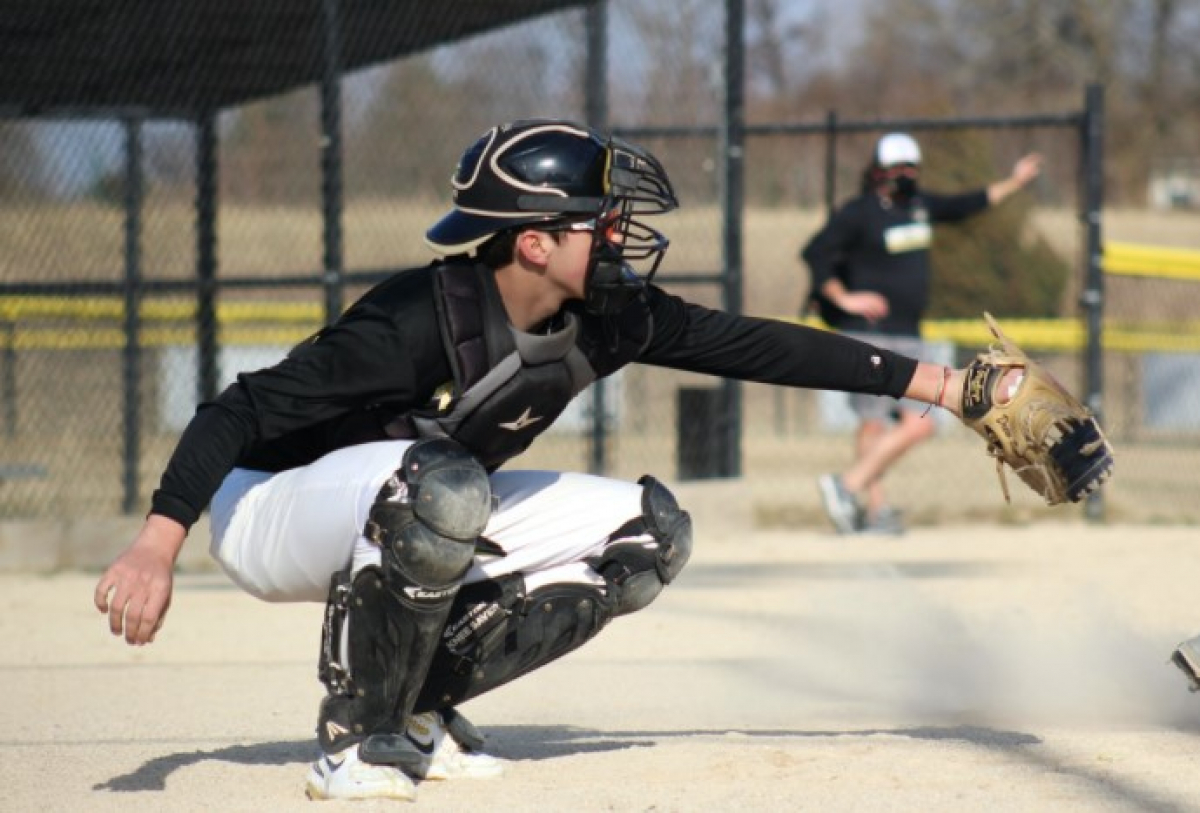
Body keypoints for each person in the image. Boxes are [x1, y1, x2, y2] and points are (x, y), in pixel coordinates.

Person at [94, 119, 1004, 803]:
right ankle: (354, 737)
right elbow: (239, 407)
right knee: (442, 479)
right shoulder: (417, 317)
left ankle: (419, 707)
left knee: (645, 535)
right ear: (533, 240)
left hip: (411, 499)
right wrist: (156, 539)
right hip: (269, 509)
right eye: (599, 223)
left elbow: (757, 346)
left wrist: (947, 387)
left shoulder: (610, 316)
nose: (619, 236)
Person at [802, 132, 1042, 536]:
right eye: (898, 168)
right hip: (868, 333)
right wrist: (844, 299)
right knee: (873, 424)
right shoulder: (859, 212)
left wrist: (1014, 182)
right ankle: (873, 511)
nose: (906, 175)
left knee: (922, 422)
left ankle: (846, 487)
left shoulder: (919, 207)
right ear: (878, 171)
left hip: (909, 333)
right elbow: (816, 253)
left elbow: (967, 203)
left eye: (911, 167)